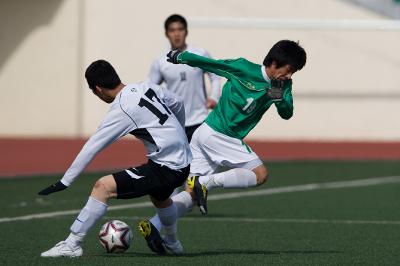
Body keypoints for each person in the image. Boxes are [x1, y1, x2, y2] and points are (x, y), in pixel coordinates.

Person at [147, 40, 307, 232]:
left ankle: (153, 225)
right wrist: (180, 57)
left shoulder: (283, 85)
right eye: (288, 69)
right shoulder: (243, 68)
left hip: (204, 134)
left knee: (191, 195)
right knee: (260, 174)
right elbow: (212, 64)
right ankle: (204, 182)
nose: (289, 75)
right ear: (273, 62)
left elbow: (287, 114)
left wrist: (279, 98)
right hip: (220, 134)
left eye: (293, 72)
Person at [39, 60, 192, 257]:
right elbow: (178, 102)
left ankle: (72, 244)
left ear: (98, 89)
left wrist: (65, 180)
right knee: (160, 198)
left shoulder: (122, 108)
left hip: (167, 167)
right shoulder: (144, 86)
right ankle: (172, 243)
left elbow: (92, 146)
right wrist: (179, 134)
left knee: (102, 187)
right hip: (184, 161)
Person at [148, 14, 221, 142]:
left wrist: (214, 97)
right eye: (172, 30)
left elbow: (215, 76)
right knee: (179, 161)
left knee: (203, 161)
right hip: (175, 122)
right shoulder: (161, 61)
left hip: (200, 120)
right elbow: (150, 89)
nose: (177, 34)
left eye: (180, 29)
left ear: (186, 32)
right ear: (166, 34)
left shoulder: (199, 54)